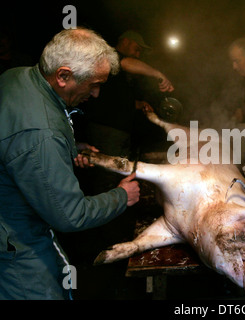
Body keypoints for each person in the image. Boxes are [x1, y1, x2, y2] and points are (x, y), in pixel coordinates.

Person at [0, 28, 140, 300]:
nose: (97, 94)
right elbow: (71, 215)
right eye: (93, 84)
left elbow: (18, 141)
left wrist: (68, 149)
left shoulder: (17, 76)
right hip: (16, 246)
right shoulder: (42, 135)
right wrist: (122, 196)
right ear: (63, 76)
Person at [82, 30, 174, 158]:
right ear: (125, 42)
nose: (138, 54)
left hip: (119, 132)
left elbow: (114, 98)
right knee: (106, 174)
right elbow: (125, 63)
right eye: (137, 49)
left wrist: (139, 104)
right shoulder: (109, 55)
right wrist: (158, 74)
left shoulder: (119, 73)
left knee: (119, 174)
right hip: (106, 130)